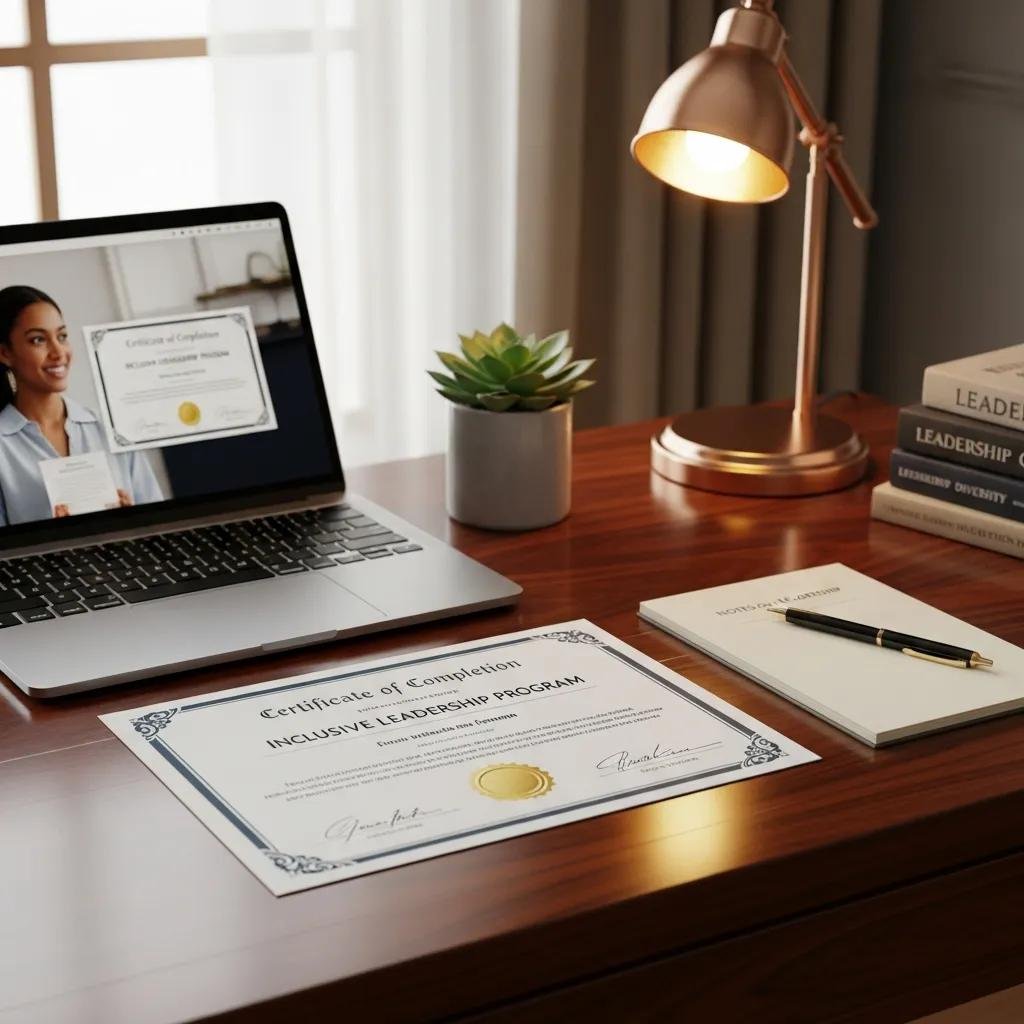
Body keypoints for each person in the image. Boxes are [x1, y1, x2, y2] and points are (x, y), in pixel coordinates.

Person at [0, 285, 163, 526]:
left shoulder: (111, 430)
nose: (58, 352)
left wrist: (133, 522)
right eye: (38, 340)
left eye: (62, 336)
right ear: (5, 353)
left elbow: (159, 526)